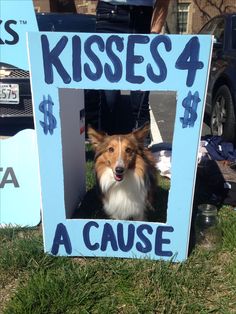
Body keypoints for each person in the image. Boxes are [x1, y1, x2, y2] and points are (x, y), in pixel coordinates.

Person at [95, 0, 170, 135]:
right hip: (109, 14)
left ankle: (142, 151)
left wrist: (154, 32)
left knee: (140, 101)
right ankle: (105, 151)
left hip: (145, 17)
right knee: (108, 100)